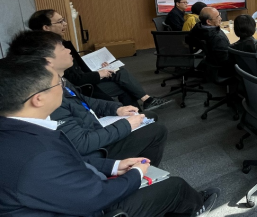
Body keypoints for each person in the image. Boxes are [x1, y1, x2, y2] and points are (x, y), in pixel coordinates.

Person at [0, 55, 219, 217]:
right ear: (38, 99)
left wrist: (113, 166)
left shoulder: (16, 133)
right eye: (57, 83)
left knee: (151, 176)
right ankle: (193, 213)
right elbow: (94, 197)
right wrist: (135, 176)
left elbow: (67, 165)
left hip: (55, 213)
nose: (63, 86)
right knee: (175, 187)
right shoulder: (37, 154)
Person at [8, 31, 168, 164]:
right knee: (156, 130)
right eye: (62, 48)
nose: (69, 51)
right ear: (48, 61)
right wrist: (126, 125)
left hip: (92, 126)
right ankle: (141, 176)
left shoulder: (60, 80)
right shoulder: (47, 97)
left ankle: (134, 166)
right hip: (94, 151)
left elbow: (86, 101)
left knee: (148, 116)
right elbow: (82, 144)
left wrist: (117, 109)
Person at [28, 10, 169, 110]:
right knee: (123, 82)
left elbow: (76, 67)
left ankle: (141, 108)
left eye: (63, 20)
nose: (65, 24)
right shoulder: (49, 50)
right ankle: (142, 107)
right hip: (83, 88)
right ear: (46, 27)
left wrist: (96, 67)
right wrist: (99, 73)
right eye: (60, 21)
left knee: (119, 72)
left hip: (85, 79)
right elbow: (74, 79)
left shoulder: (57, 43)